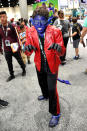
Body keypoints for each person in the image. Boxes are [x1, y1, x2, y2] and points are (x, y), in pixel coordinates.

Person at [24, 7, 65, 127]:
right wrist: (27, 49)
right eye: (36, 22)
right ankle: (45, 95)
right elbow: (28, 51)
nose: (39, 25)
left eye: (42, 21)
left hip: (52, 64)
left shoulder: (55, 31)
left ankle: (55, 113)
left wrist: (59, 49)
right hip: (39, 63)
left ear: (47, 21)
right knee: (42, 83)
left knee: (52, 89)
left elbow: (62, 51)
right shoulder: (30, 31)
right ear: (33, 21)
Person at [0, 11, 26, 82]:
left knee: (19, 60)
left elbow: (17, 36)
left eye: (3, 17)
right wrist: (0, 48)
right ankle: (12, 75)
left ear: (6, 17)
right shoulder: (0, 27)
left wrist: (19, 47)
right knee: (9, 62)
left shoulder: (12, 25)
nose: (2, 18)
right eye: (0, 17)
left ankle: (23, 69)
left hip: (14, 47)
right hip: (6, 48)